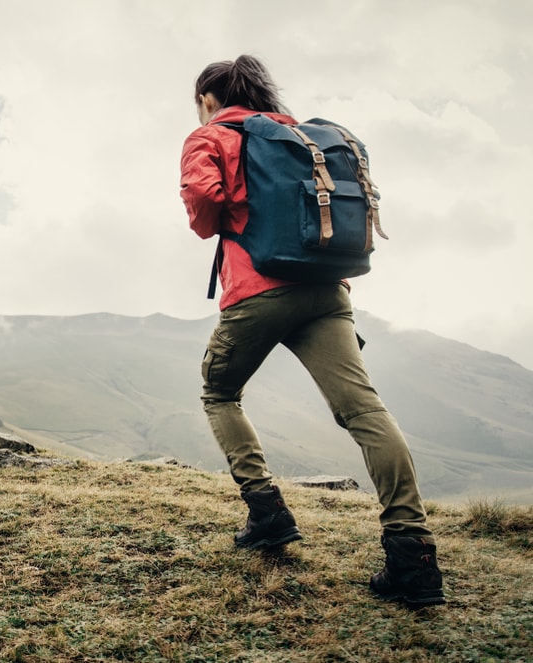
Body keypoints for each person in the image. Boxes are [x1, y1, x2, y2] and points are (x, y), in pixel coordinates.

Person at [179, 55, 445, 607]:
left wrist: (228, 206)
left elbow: (203, 210)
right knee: (364, 411)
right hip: (327, 291)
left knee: (220, 392)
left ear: (208, 98)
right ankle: (413, 554)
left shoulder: (211, 135)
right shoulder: (297, 134)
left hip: (257, 290)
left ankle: (267, 513)